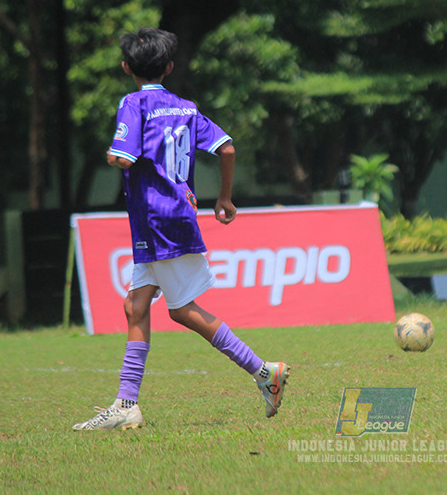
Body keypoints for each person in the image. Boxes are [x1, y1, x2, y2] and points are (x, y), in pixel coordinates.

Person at [73, 27, 289, 430]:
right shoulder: (186, 108)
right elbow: (227, 147)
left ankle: (264, 371)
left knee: (182, 311)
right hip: (174, 216)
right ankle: (126, 405)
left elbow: (122, 156)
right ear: (169, 67)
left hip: (156, 219)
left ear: (125, 68)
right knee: (135, 307)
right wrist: (223, 198)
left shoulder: (132, 103)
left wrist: (114, 156)